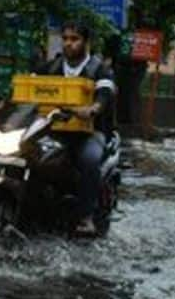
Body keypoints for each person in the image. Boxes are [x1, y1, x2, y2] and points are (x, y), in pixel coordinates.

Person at [36, 22, 116, 235]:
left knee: (89, 160)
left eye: (74, 39)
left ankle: (86, 217)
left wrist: (93, 108)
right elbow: (29, 90)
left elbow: (105, 94)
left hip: (90, 132)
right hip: (55, 130)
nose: (68, 44)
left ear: (86, 43)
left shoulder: (99, 69)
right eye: (65, 39)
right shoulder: (51, 68)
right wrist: (1, 106)